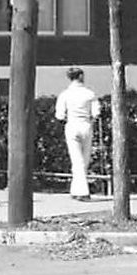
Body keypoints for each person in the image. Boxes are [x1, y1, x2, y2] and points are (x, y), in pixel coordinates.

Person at [54, 67, 100, 201]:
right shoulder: (89, 93)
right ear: (80, 76)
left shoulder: (65, 94)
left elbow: (59, 115)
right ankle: (82, 192)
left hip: (72, 125)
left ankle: (76, 189)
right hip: (86, 125)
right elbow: (96, 113)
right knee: (84, 159)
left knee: (76, 159)